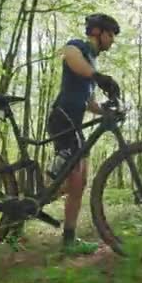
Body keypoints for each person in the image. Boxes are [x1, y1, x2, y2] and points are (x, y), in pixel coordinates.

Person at [45, 13, 121, 255]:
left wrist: (107, 110)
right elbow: (69, 56)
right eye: (111, 35)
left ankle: (67, 238)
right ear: (97, 32)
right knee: (68, 180)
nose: (112, 40)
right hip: (62, 119)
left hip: (74, 123)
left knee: (79, 184)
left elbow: (88, 102)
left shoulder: (92, 64)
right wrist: (97, 76)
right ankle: (26, 204)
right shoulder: (78, 47)